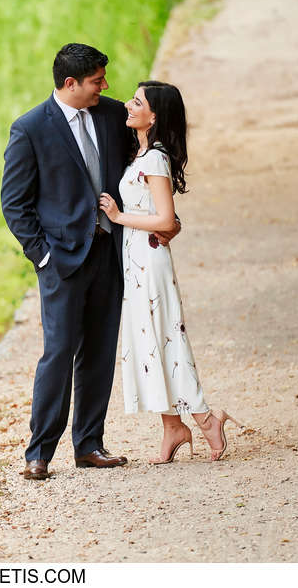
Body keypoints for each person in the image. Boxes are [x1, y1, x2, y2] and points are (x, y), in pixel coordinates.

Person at [1, 44, 180, 480]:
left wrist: (165, 216)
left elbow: (150, 159)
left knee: (100, 353)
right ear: (70, 84)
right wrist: (42, 256)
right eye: (97, 80)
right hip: (60, 261)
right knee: (59, 353)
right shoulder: (30, 129)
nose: (106, 86)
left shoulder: (112, 114)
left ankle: (89, 445)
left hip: (111, 252)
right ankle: (39, 452)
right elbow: (14, 204)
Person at [98, 81, 240, 463]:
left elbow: (164, 217)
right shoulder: (140, 154)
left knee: (165, 338)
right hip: (137, 259)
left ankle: (207, 419)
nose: (129, 104)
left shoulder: (155, 158)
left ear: (154, 115)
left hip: (150, 260)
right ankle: (173, 427)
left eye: (138, 101)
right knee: (148, 342)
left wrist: (117, 216)